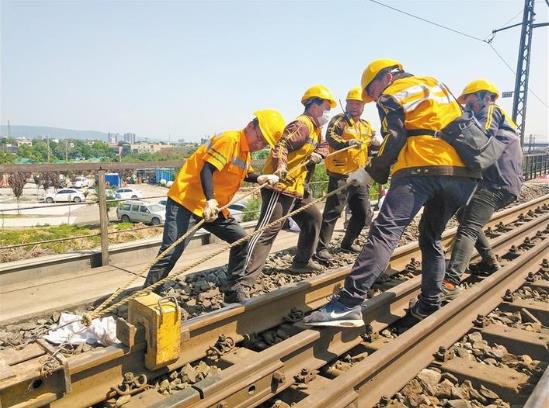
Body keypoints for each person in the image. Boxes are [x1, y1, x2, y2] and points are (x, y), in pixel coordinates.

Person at [304, 59, 480, 327]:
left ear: (385, 78)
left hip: (420, 169)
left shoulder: (393, 93)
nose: (374, 99)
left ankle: (348, 304)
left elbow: (395, 137)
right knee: (431, 236)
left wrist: (370, 172)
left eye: (372, 92)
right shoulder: (435, 84)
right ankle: (431, 301)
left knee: (385, 232)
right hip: (462, 174)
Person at [143, 110, 285, 289]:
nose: (260, 144)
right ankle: (147, 294)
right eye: (260, 138)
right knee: (171, 252)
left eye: (265, 143)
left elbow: (243, 172)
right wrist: (210, 200)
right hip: (187, 201)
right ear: (250, 126)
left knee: (241, 240)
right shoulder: (230, 140)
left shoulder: (245, 151)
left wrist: (259, 178)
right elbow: (207, 169)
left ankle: (232, 290)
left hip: (215, 208)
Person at [227, 85, 336, 301]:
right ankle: (241, 281)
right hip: (281, 186)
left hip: (297, 188)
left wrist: (319, 155)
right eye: (325, 107)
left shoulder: (315, 129)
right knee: (267, 232)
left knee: (313, 218)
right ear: (313, 106)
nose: (327, 112)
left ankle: (302, 262)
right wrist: (281, 167)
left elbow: (325, 145)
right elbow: (281, 146)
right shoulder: (301, 125)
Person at [441, 79, 523, 300]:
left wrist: (453, 125)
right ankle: (490, 263)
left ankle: (450, 282)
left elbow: (479, 138)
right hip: (498, 182)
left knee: (468, 227)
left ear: (484, 96)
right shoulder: (494, 115)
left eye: (469, 100)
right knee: (465, 215)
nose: (467, 105)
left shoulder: (491, 111)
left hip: (497, 183)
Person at [315, 87, 379, 262]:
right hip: (340, 173)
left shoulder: (366, 125)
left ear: (364, 106)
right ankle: (321, 248)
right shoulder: (339, 121)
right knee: (333, 212)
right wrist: (347, 142)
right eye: (351, 102)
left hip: (359, 175)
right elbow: (330, 137)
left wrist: (376, 144)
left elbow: (370, 146)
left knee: (363, 212)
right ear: (347, 103)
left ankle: (348, 242)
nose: (355, 106)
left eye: (358, 103)